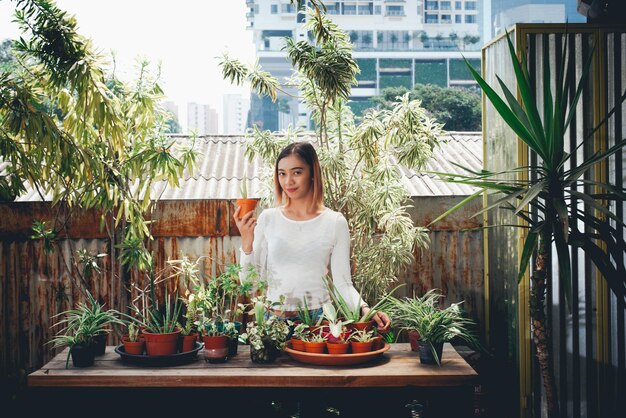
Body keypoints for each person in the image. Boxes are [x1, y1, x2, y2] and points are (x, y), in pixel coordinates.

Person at [234, 142, 391, 333]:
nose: (288, 181)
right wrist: (246, 242)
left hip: (320, 322)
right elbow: (250, 284)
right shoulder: (268, 218)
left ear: (312, 173)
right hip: (274, 323)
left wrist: (366, 310)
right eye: (282, 173)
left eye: (297, 172)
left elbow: (343, 284)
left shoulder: (335, 222)